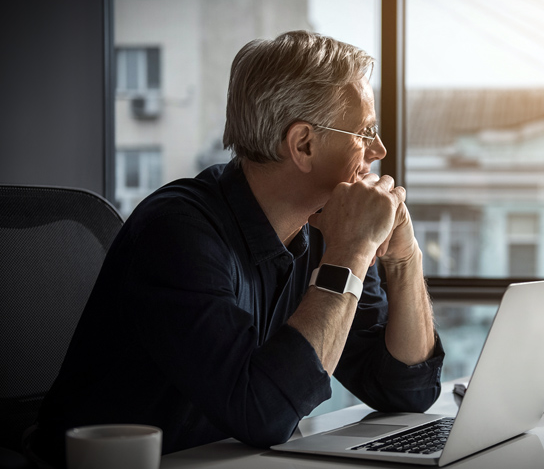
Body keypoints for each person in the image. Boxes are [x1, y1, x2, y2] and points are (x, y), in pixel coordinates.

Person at [33, 30, 444, 467]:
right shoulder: (179, 231)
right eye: (364, 132)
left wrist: (403, 258)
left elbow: (407, 391)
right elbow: (262, 414)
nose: (379, 150)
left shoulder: (330, 228)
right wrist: (353, 253)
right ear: (303, 143)